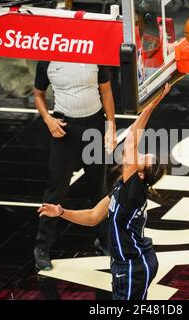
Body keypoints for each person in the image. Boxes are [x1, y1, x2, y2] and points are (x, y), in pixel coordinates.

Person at [37, 83, 171, 300]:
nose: (139, 155)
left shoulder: (134, 192)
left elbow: (131, 141)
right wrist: (61, 212)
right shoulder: (122, 189)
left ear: (141, 175)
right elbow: (93, 217)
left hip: (133, 267)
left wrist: (154, 102)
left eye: (143, 159)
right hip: (130, 263)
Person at [33, 61, 117, 271]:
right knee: (56, 189)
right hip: (64, 129)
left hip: (94, 126)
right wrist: (48, 120)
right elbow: (38, 94)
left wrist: (111, 125)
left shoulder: (93, 52)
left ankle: (104, 239)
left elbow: (105, 90)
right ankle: (42, 247)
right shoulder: (46, 58)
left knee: (99, 187)